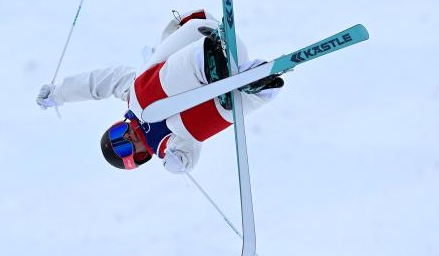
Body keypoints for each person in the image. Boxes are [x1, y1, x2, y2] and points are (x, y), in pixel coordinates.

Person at [37, 9, 283, 173]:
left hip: (204, 40)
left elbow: (99, 83)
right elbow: (189, 148)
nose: (127, 137)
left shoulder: (132, 97)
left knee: (142, 102)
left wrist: (59, 94)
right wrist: (180, 162)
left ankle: (207, 63)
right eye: (123, 147)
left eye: (118, 133)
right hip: (238, 70)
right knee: (184, 128)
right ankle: (256, 88)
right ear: (140, 158)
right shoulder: (165, 145)